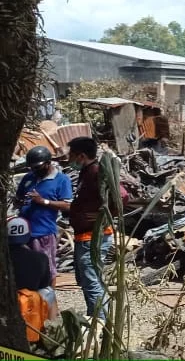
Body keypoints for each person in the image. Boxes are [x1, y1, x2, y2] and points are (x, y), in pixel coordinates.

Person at [66, 137, 115, 321]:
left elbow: (123, 196)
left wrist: (104, 214)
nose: (69, 159)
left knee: (93, 283)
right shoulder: (86, 172)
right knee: (87, 282)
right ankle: (95, 318)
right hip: (84, 237)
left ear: (81, 156)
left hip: (93, 238)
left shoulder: (97, 172)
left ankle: (102, 325)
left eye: (71, 155)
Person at [15, 146, 73, 286]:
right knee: (25, 268)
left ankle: (48, 299)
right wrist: (19, 202)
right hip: (23, 233)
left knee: (46, 269)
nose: (34, 170)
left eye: (37, 167)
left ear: (48, 163)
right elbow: (19, 197)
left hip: (43, 233)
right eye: (32, 168)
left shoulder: (61, 180)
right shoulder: (29, 178)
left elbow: (67, 205)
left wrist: (43, 201)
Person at [8, 217, 57, 344]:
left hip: (7, 301)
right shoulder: (40, 258)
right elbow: (44, 285)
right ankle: (51, 333)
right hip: (31, 304)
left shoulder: (4, 260)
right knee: (49, 292)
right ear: (28, 235)